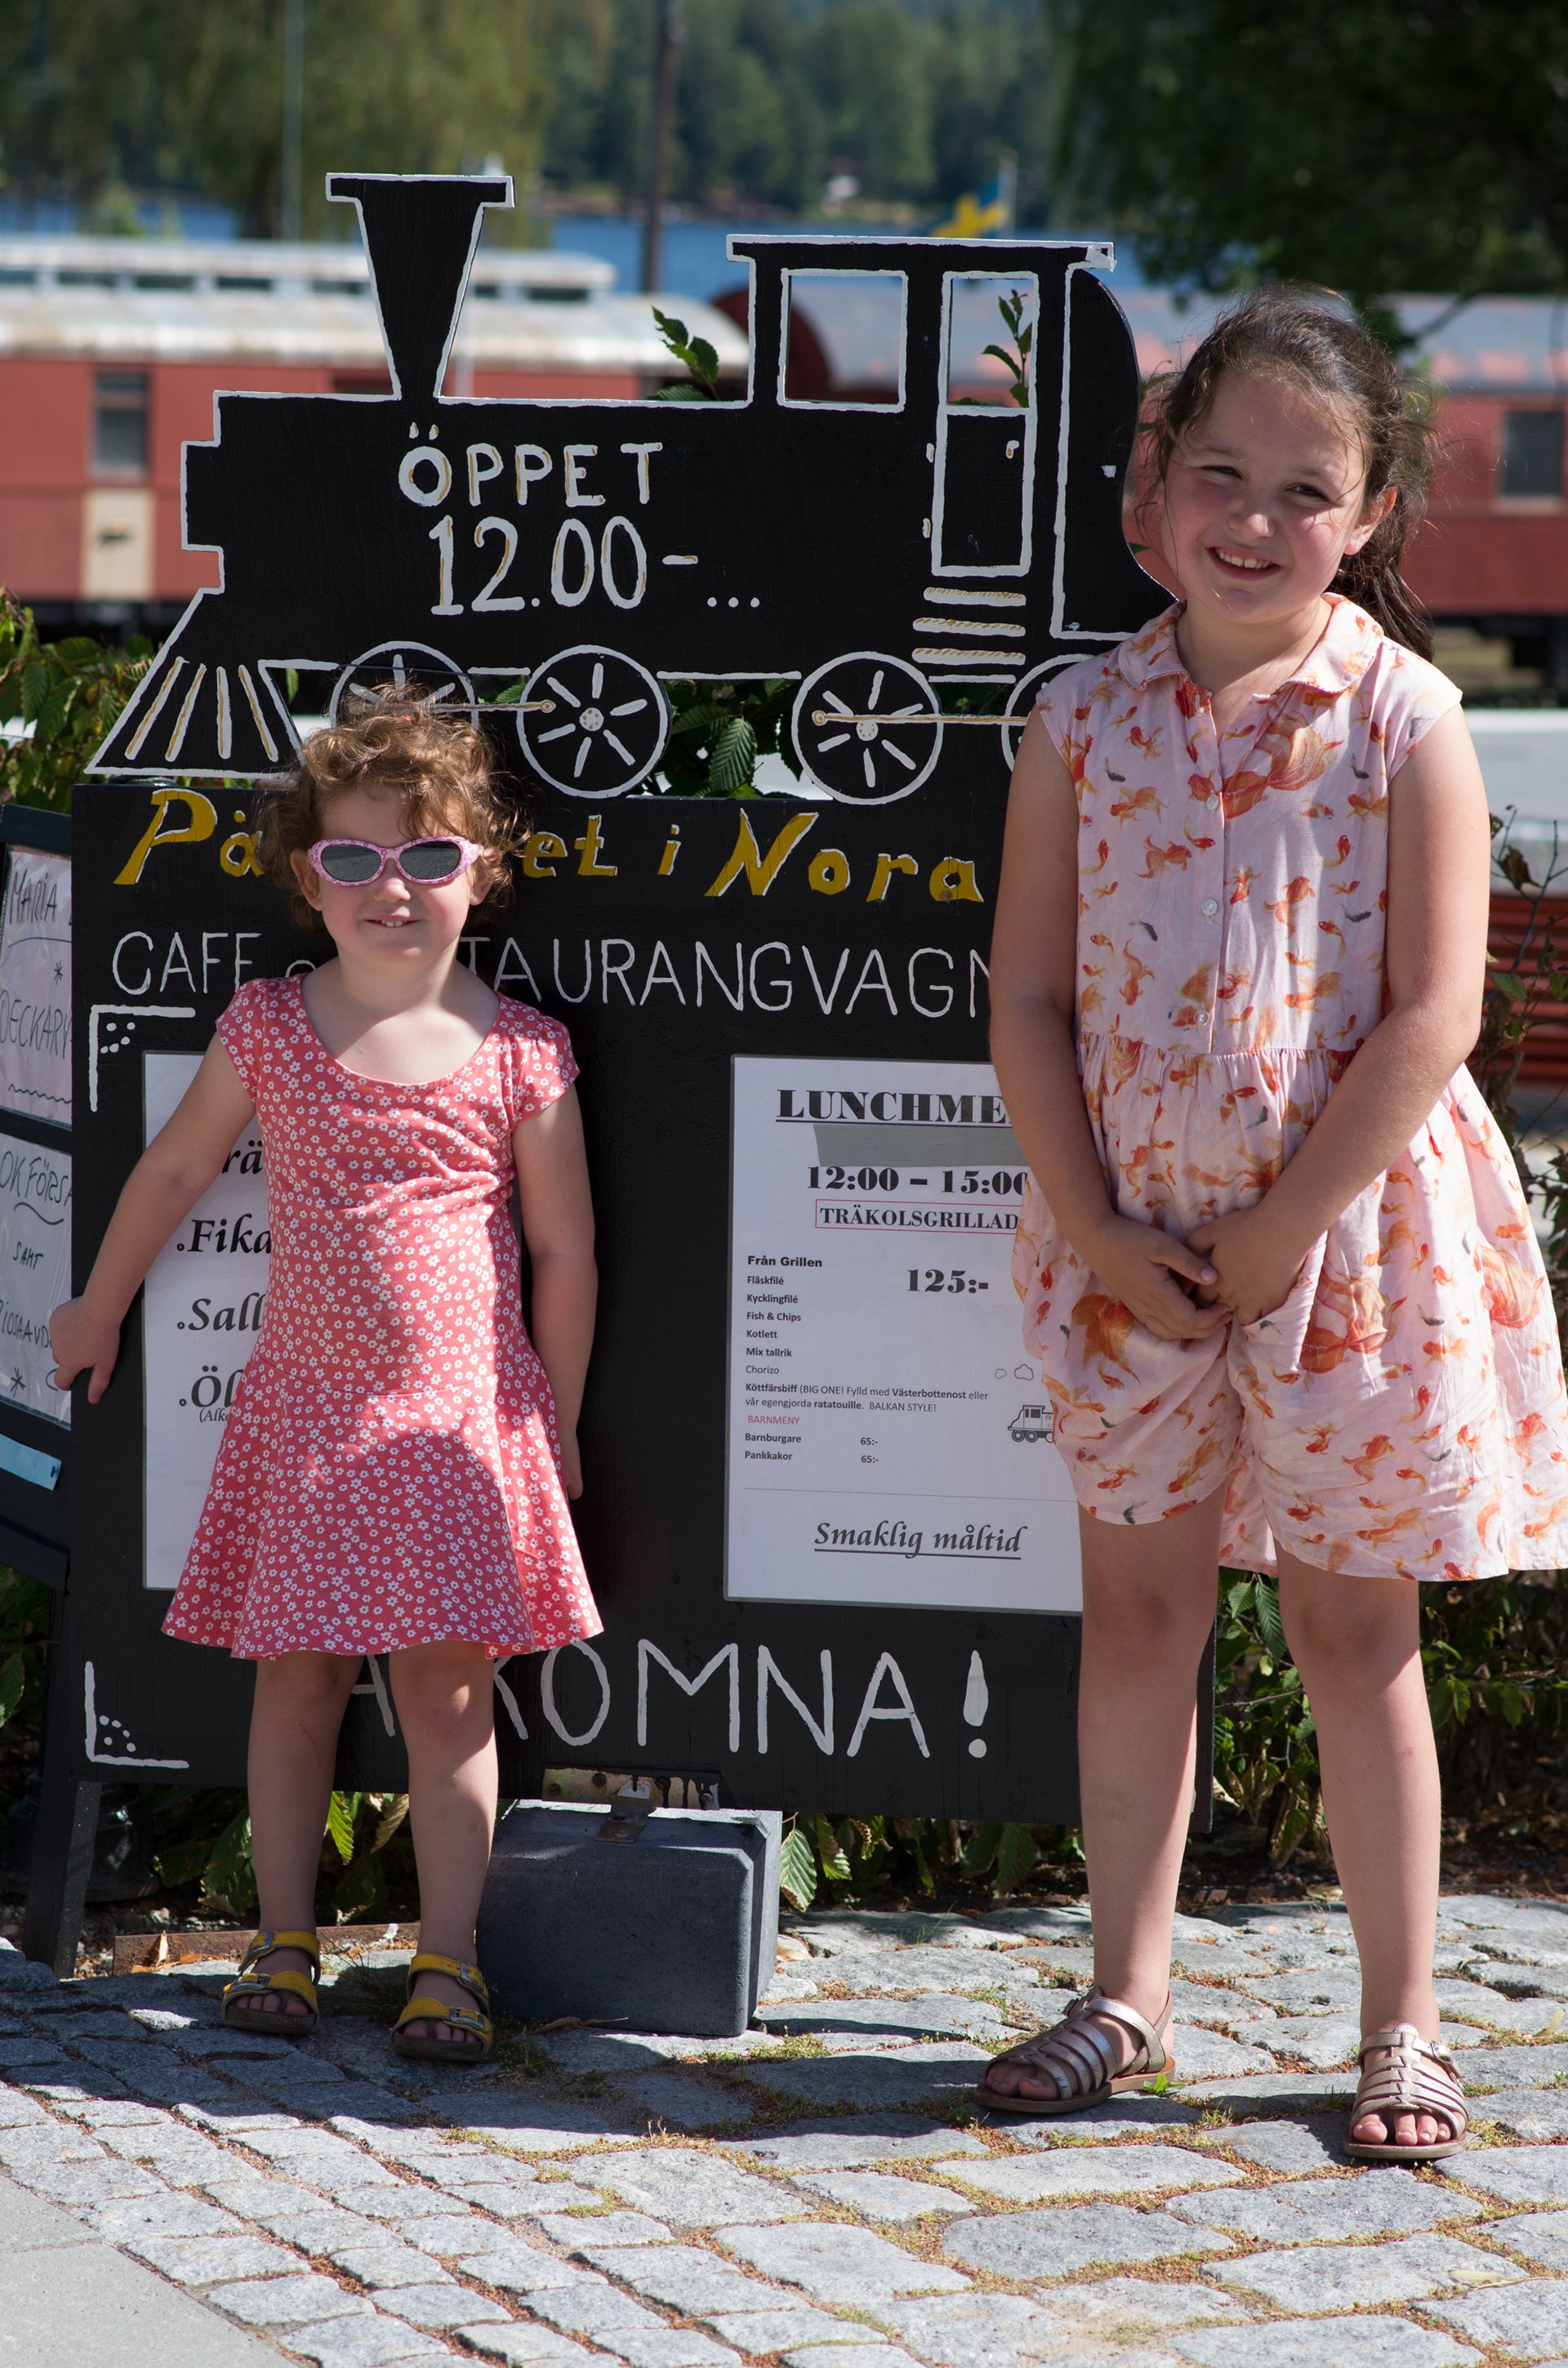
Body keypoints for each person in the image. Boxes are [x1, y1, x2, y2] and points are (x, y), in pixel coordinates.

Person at [986, 291, 1568, 2161]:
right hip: (1131, 1243)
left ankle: (1402, 2021)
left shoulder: (1405, 720)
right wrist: (1092, 1222)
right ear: (1150, 490)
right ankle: (1125, 1993)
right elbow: (1028, 998)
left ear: (1374, 508)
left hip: (1354, 1252)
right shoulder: (1082, 721)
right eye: (1218, 475)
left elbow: (1435, 1016)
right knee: (1140, 1609)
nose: (1255, 519)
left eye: (1305, 490)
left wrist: (1286, 1228)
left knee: (1352, 1631)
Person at [50, 691, 599, 2063]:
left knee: (449, 1695)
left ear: (484, 870)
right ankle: (282, 1939)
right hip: (307, 1419)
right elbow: (174, 1170)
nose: (390, 887)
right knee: (294, 1684)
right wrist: (98, 1307)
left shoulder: (522, 1051)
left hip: (461, 1429)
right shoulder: (270, 1028)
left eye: (428, 856)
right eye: (353, 857)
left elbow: (565, 1251)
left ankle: (448, 1960)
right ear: (308, 879)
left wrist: (559, 1419)